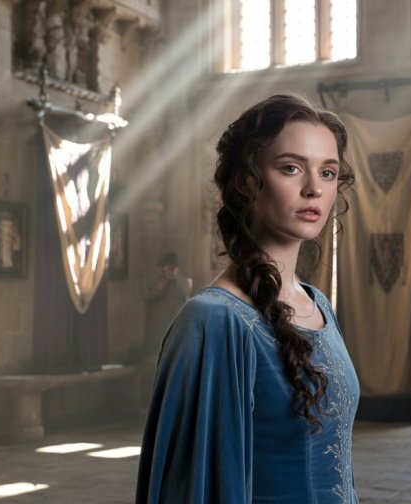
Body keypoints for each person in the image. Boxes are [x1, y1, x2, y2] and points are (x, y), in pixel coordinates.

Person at [136, 94, 359, 503]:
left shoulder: (318, 305)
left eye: (328, 172)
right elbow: (192, 487)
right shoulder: (213, 320)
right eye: (291, 168)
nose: (314, 189)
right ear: (246, 180)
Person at [140, 251, 191, 356]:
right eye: (168, 267)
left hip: (176, 326)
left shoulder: (184, 282)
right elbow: (147, 297)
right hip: (157, 328)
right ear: (162, 268)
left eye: (174, 267)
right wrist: (163, 283)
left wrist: (176, 278)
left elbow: (187, 293)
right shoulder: (151, 282)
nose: (171, 270)